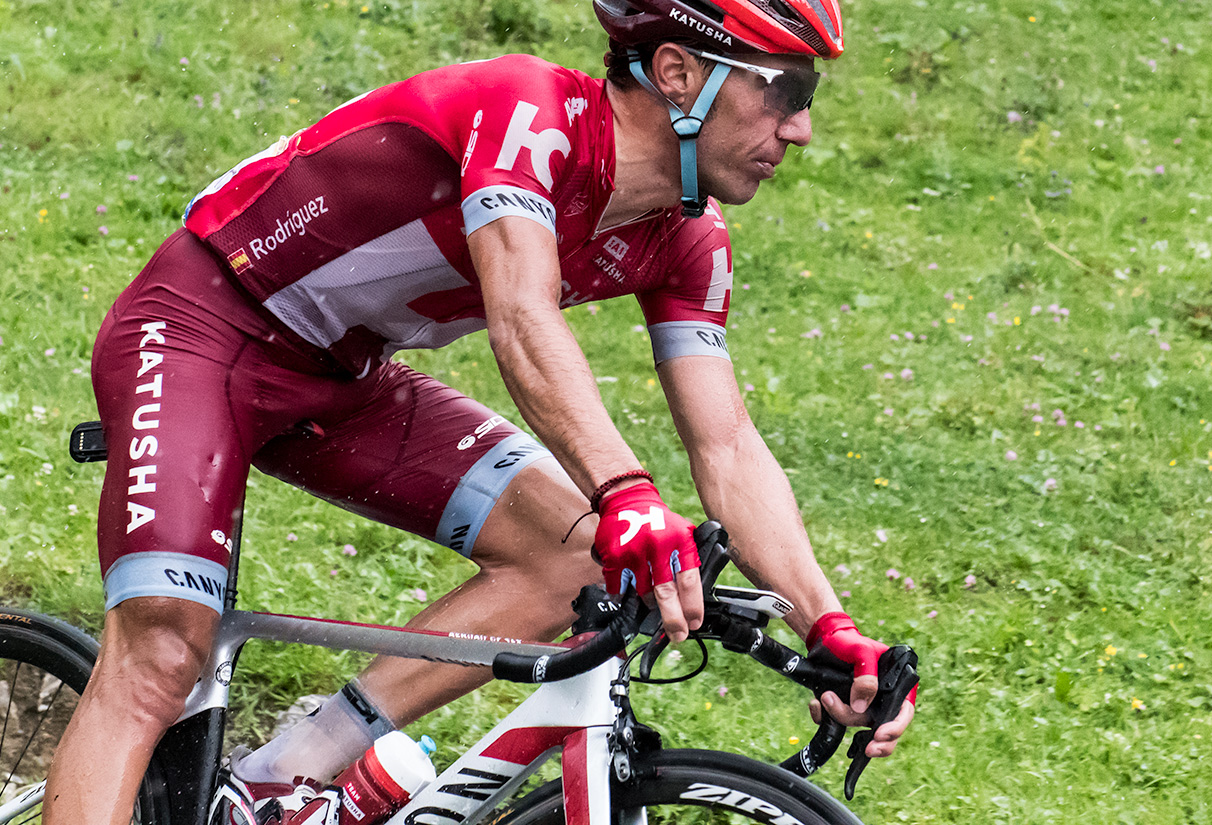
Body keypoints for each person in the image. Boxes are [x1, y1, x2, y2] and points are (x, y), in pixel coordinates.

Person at [45, 0, 916, 821]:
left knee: (578, 560)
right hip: (203, 330)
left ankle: (288, 772)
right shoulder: (528, 115)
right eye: (782, 91)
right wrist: (628, 490)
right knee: (159, 655)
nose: (798, 125)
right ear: (679, 72)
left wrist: (828, 624)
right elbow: (522, 318)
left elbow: (725, 443)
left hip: (346, 378)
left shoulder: (688, 239)